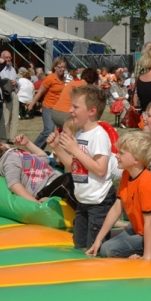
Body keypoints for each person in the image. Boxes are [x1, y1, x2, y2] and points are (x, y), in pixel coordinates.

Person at [87, 131, 151, 261]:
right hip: (139, 231)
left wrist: (147, 257)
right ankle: (139, 254)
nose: (116, 156)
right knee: (104, 247)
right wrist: (98, 240)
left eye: (121, 153)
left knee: (110, 250)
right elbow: (116, 209)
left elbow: (150, 222)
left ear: (136, 160)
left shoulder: (145, 182)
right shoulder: (126, 175)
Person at [47, 85, 116, 250]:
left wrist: (75, 150)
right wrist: (57, 148)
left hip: (98, 200)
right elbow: (74, 167)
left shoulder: (98, 135)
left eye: (75, 107)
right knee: (80, 246)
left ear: (91, 111)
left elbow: (100, 169)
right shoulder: (80, 134)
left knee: (95, 249)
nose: (70, 110)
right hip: (84, 199)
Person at [0, 135, 77, 208]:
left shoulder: (16, 154)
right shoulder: (8, 159)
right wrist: (36, 203)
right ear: (0, 146)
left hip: (53, 182)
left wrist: (27, 143)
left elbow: (44, 157)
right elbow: (13, 184)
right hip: (43, 189)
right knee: (68, 179)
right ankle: (86, 217)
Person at [28, 57, 66, 149]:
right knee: (49, 130)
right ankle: (34, 149)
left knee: (64, 131)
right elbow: (40, 92)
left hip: (59, 109)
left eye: (64, 67)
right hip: (48, 107)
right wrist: (31, 104)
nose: (62, 69)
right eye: (60, 67)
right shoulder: (50, 78)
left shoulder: (64, 79)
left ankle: (59, 153)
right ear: (55, 67)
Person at [0, 50, 20, 144]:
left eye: (9, 57)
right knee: (5, 118)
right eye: (6, 57)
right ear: (1, 58)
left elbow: (17, 80)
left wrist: (16, 83)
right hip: (5, 94)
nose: (8, 59)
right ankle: (3, 138)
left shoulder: (12, 68)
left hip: (14, 93)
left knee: (15, 117)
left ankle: (12, 138)